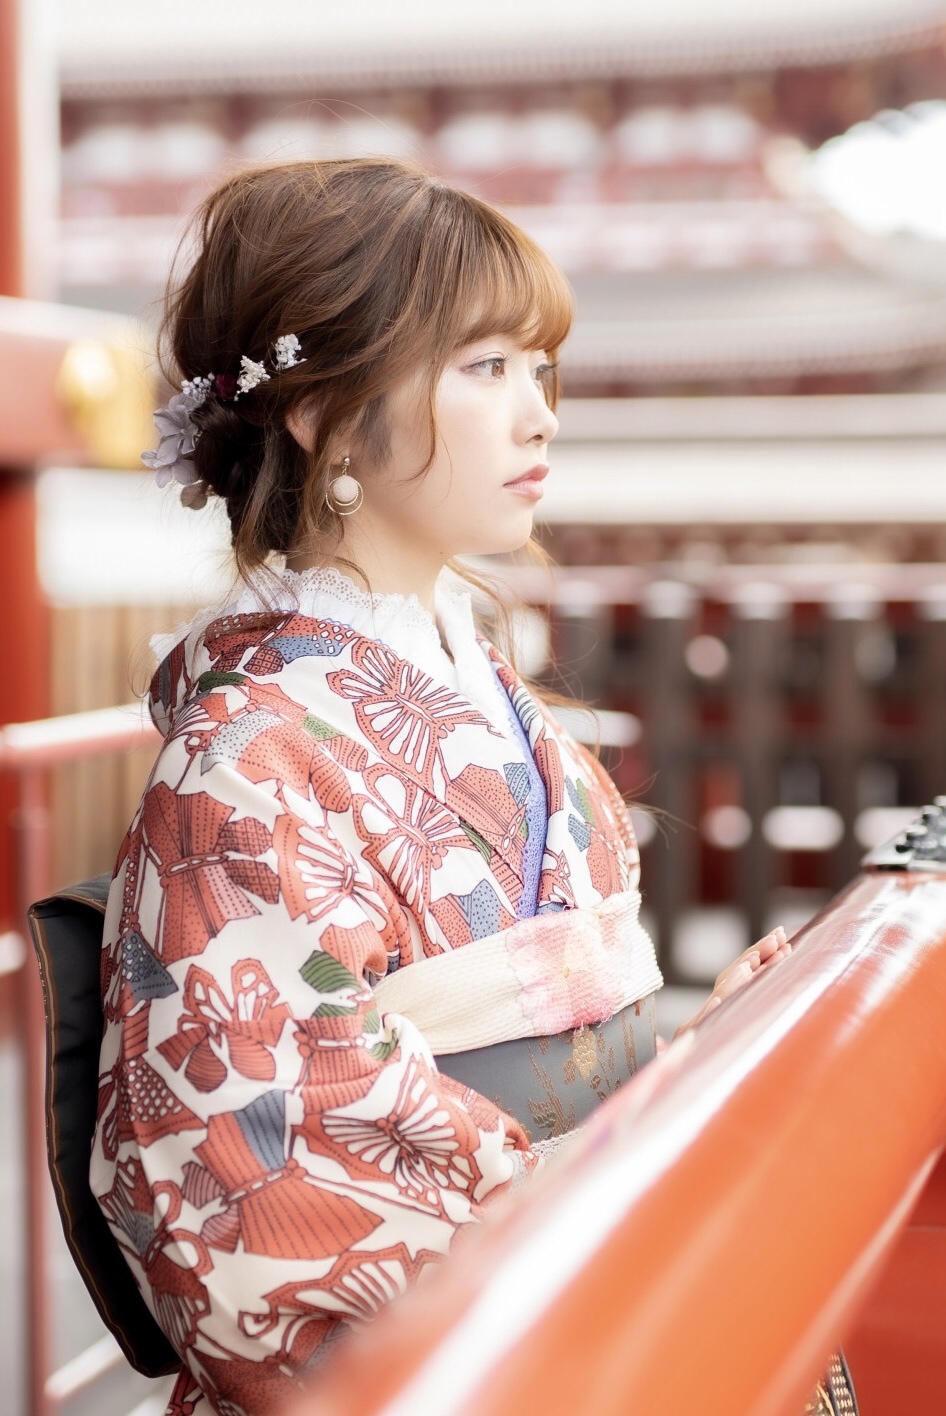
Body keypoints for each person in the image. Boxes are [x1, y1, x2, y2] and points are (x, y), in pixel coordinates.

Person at [98, 158, 790, 1414]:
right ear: (321, 413)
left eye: (541, 368)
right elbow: (246, 1188)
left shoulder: (496, 705)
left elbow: (564, 1058)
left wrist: (688, 1057)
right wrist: (608, 1190)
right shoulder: (243, 763)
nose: (540, 414)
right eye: (486, 367)